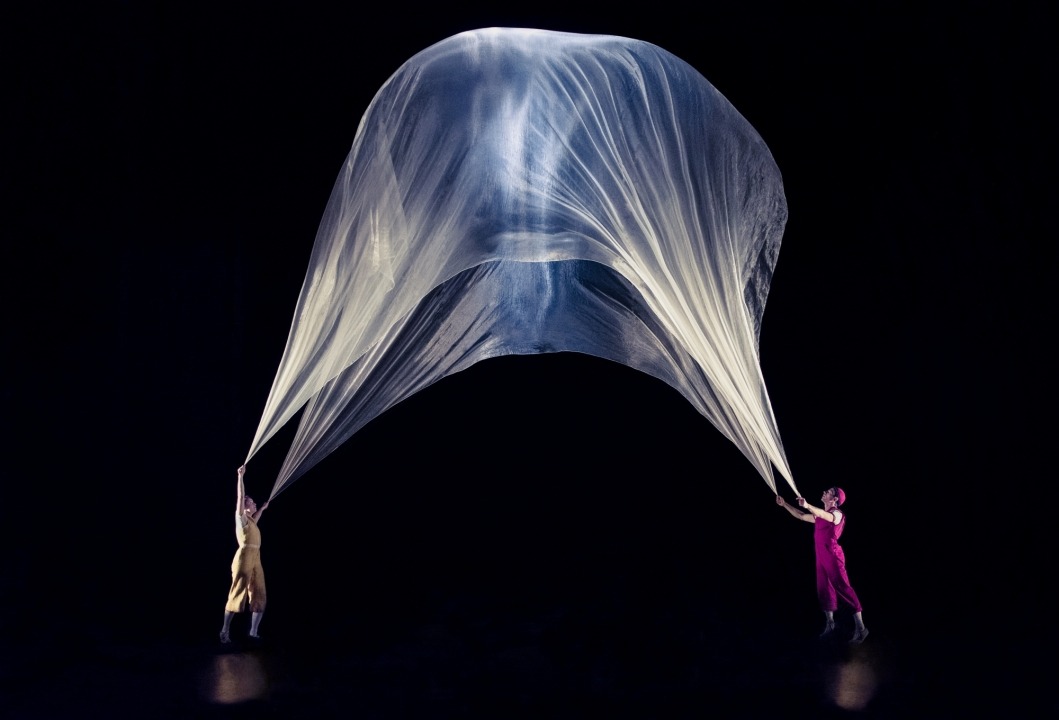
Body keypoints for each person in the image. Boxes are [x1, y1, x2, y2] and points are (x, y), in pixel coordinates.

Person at [776, 487, 869, 644]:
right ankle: (830, 624)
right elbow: (800, 515)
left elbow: (824, 515)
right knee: (823, 588)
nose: (825, 491)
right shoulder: (820, 515)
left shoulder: (837, 514)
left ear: (834, 500)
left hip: (833, 555)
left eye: (829, 492)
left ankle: (861, 628)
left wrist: (808, 505)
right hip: (821, 555)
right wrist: (785, 504)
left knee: (843, 587)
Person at [219, 464, 269, 643]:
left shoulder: (251, 521)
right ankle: (225, 631)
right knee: (238, 592)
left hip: (256, 557)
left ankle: (253, 633)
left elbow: (256, 519)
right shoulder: (240, 518)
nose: (254, 503)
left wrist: (262, 509)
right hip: (244, 558)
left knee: (259, 592)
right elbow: (240, 497)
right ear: (246, 506)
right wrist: (240, 477)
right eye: (253, 502)